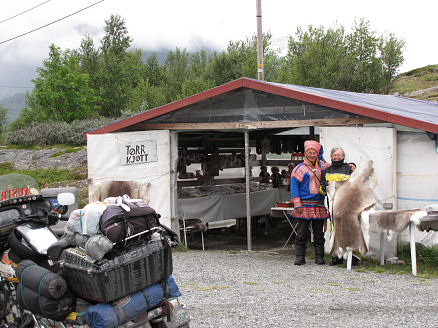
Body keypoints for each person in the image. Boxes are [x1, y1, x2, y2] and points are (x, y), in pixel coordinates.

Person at [290, 140, 330, 265]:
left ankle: (319, 257)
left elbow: (336, 166)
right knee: (301, 233)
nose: (312, 155)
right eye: (310, 153)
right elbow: (294, 187)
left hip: (318, 204)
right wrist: (297, 204)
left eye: (315, 153)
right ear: (306, 154)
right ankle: (300, 258)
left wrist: (351, 165)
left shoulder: (323, 167)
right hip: (304, 204)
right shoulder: (299, 169)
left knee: (319, 233)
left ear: (318, 154)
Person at [320, 147, 353, 265]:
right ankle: (336, 257)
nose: (337, 157)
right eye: (334, 155)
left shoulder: (349, 169)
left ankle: (352, 257)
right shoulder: (327, 171)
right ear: (331, 156)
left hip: (348, 207)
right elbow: (322, 190)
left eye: (339, 155)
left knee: (350, 230)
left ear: (343, 156)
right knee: (334, 231)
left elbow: (356, 186)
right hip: (332, 207)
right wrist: (326, 186)